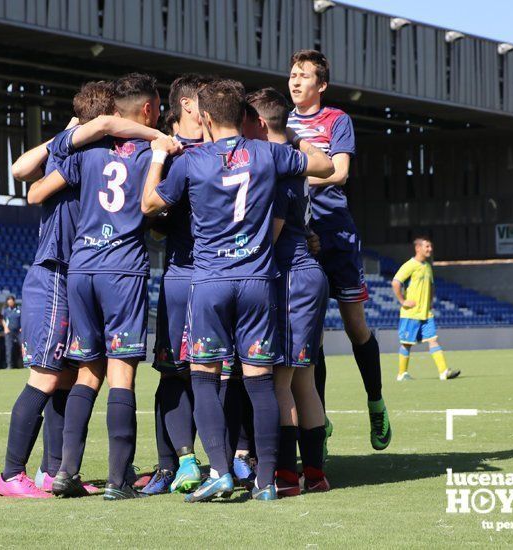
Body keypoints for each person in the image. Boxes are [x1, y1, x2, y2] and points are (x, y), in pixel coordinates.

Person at [142, 78, 334, 501]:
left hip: (209, 281)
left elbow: (150, 206)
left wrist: (157, 160)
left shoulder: (192, 162)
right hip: (258, 282)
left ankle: (221, 472)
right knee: (260, 381)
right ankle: (267, 481)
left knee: (205, 377)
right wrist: (292, 144)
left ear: (206, 117)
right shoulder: (269, 153)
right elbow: (326, 167)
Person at [0, 78, 164, 499]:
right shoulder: (81, 148)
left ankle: (55, 471)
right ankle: (12, 474)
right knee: (48, 376)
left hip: (80, 271)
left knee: (70, 376)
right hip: (56, 272)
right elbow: (30, 186)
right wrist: (67, 137)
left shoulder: (87, 154)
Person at [287, 49, 391, 452]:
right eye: (292, 74)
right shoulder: (282, 122)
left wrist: (288, 177)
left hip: (336, 235)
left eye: (304, 76)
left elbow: (341, 172)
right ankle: (321, 422)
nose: (295, 81)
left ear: (321, 84)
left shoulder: (337, 120)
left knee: (355, 326)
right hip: (298, 238)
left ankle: (376, 402)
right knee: (310, 336)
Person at [246, 87, 332, 494]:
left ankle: (285, 475)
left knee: (280, 381)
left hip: (291, 276)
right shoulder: (295, 160)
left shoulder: (274, 165)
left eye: (245, 124)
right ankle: (314, 475)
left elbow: (272, 232)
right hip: (306, 274)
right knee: (305, 380)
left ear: (259, 124)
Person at [140, 73, 213, 496]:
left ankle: (234, 460)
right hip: (181, 273)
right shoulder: (164, 150)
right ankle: (170, 465)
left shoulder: (226, 145)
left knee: (224, 374)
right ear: (188, 105)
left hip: (221, 276)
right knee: (172, 373)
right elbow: (145, 208)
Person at [393, 237, 461, 381]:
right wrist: (402, 301)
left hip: (426, 313)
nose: (430, 249)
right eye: (427, 246)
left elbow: (431, 286)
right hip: (411, 314)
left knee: (433, 340)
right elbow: (396, 282)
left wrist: (430, 301)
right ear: (418, 248)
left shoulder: (427, 266)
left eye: (430, 246)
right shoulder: (410, 265)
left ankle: (444, 372)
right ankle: (401, 374)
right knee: (406, 344)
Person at [1, 296, 21, 369]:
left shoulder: (19, 309)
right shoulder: (5, 310)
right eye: (8, 301)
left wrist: (22, 327)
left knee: (23, 347)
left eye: (11, 301)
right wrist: (5, 328)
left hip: (19, 332)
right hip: (9, 332)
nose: (10, 303)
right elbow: (2, 319)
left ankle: (27, 363)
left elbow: (23, 318)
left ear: (14, 301)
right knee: (9, 348)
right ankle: (9, 365)